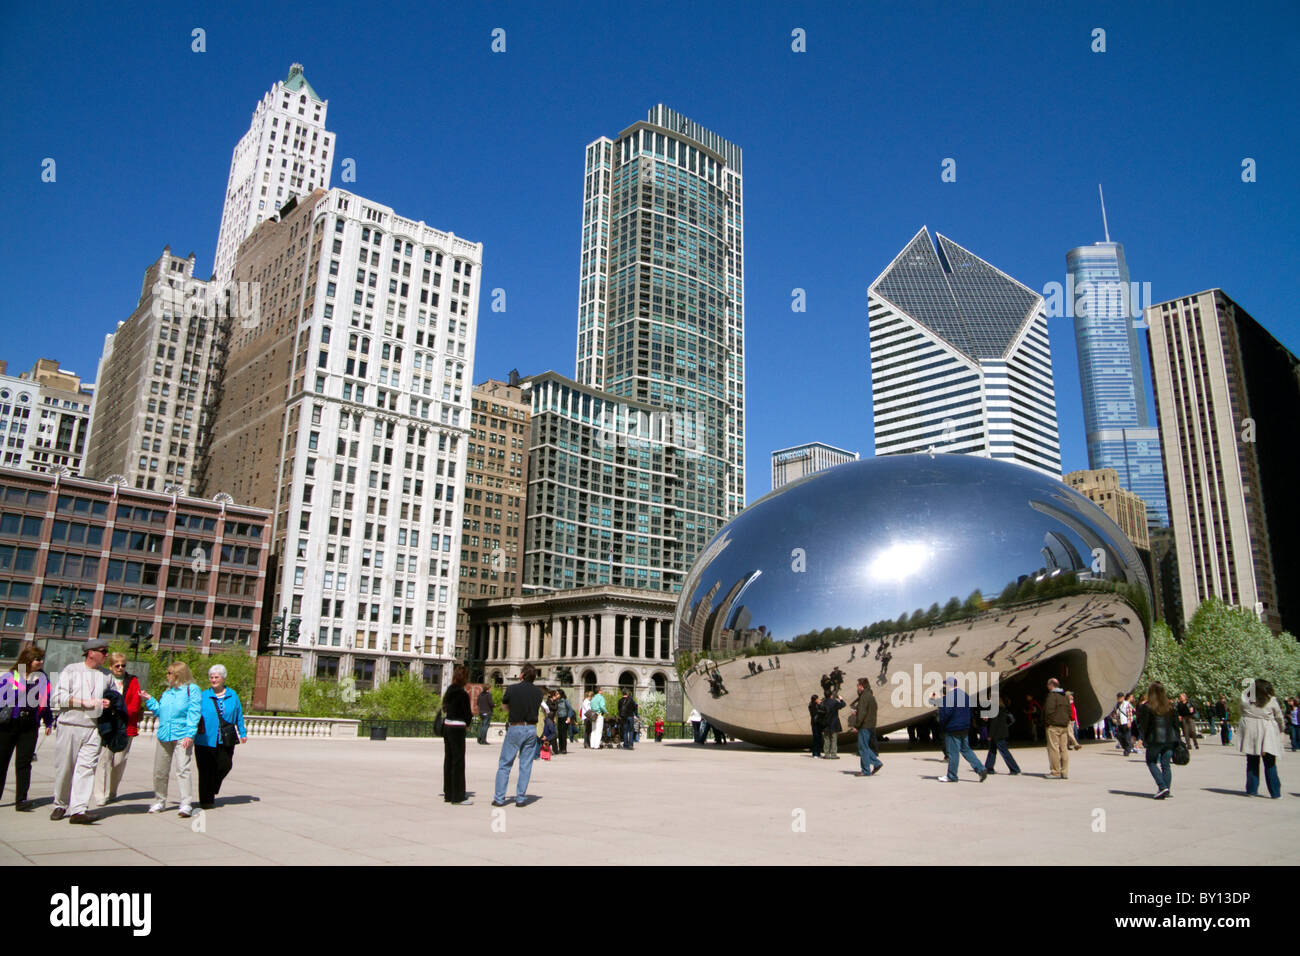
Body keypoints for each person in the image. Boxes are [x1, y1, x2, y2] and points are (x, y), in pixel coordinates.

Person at [50, 640, 112, 823]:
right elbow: (58, 697)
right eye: (103, 651)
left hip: (94, 728)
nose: (106, 655)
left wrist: (109, 703)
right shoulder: (72, 670)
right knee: (65, 768)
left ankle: (79, 810)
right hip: (70, 725)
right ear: (91, 653)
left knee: (86, 769)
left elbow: (113, 696)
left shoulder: (107, 676)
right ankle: (60, 804)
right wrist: (84, 702)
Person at [140, 661, 202, 818]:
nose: (167, 676)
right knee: (159, 770)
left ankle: (186, 803)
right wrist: (149, 700)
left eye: (169, 673)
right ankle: (159, 800)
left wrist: (190, 734)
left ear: (178, 674)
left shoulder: (191, 690)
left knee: (182, 769)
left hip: (182, 735)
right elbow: (160, 712)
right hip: (164, 735)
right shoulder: (167, 692)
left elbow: (194, 713)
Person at [1, 644, 53, 812]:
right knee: (2, 762)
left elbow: (45, 702)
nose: (41, 662)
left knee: (24, 763)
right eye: (38, 659)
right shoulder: (12, 675)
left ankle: (21, 800)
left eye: (42, 659)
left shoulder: (43, 678)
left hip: (30, 724)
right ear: (28, 660)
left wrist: (48, 721)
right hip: (9, 724)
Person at [92, 652, 142, 807]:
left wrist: (120, 710)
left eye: (123, 665)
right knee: (104, 760)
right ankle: (100, 794)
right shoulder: (104, 679)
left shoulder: (132, 680)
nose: (120, 668)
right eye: (117, 665)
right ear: (111, 666)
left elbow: (135, 703)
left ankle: (112, 792)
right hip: (107, 724)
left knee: (119, 761)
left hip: (126, 725)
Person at [194, 664, 247, 810]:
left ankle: (211, 788)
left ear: (223, 678)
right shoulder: (203, 695)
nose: (213, 679)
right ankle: (206, 801)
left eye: (216, 677)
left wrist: (242, 732)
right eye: (211, 677)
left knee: (225, 765)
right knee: (205, 771)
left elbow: (239, 715)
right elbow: (192, 714)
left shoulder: (233, 695)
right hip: (204, 739)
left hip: (226, 738)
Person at [493, 664, 544, 808]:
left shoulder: (512, 689)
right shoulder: (538, 693)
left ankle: (499, 798)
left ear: (522, 675)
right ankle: (520, 798)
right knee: (526, 765)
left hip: (516, 727)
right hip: (531, 729)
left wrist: (513, 709)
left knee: (505, 764)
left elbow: (504, 707)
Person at [1238, 679, 1284, 798]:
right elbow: (1279, 717)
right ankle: (1275, 792)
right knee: (1270, 763)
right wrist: (1281, 728)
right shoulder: (1271, 700)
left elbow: (1242, 712)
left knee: (1252, 762)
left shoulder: (1245, 700)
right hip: (1267, 731)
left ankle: (1252, 790)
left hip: (1251, 732)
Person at [936, 677, 987, 783]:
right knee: (966, 750)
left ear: (949, 685)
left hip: (953, 728)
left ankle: (952, 776)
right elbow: (969, 711)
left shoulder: (949, 697)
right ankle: (981, 769)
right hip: (964, 728)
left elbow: (946, 714)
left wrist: (942, 724)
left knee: (953, 753)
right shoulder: (965, 695)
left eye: (946, 685)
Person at [1137, 681, 1180, 799]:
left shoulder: (1147, 706)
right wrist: (1178, 739)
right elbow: (1176, 724)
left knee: (1151, 762)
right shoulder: (1170, 706)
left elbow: (1144, 725)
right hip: (1170, 739)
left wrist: (1143, 738)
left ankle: (1162, 787)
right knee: (1166, 764)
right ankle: (1167, 789)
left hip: (1155, 739)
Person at [442, 665, 472, 805]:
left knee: (448, 759)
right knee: (458, 761)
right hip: (458, 727)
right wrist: (467, 723)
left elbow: (445, 707)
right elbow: (467, 714)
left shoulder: (449, 691)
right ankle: (458, 796)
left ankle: (448, 793)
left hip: (447, 726)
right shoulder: (463, 694)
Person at [848, 679, 883, 777]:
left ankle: (866, 770)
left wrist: (857, 725)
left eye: (858, 685)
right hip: (870, 724)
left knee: (862, 748)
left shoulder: (864, 696)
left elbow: (863, 712)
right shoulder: (870, 696)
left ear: (861, 686)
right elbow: (871, 710)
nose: (857, 687)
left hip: (864, 725)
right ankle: (876, 763)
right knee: (865, 747)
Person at [1043, 679, 1072, 779]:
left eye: (1048, 684)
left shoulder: (1052, 696)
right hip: (1064, 726)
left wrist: (1048, 723)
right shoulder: (1065, 696)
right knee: (1063, 749)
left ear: (1051, 685)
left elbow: (1048, 711)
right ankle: (1064, 772)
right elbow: (1069, 711)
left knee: (1053, 749)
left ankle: (1055, 772)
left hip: (1053, 727)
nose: (1047, 686)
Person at [982, 699, 1020, 774]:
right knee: (992, 750)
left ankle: (1015, 769)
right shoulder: (1001, 707)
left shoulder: (994, 708)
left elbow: (994, 723)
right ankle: (989, 768)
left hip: (997, 734)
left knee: (1004, 751)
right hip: (1001, 732)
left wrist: (990, 735)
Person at [822, 692, 845, 759]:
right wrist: (841, 699)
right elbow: (843, 704)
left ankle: (826, 754)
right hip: (834, 723)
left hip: (826, 723)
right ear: (831, 695)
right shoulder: (834, 702)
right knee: (834, 739)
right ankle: (833, 754)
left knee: (826, 739)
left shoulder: (823, 702)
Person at [553, 689, 570, 755]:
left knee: (564, 733)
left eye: (557, 694)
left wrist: (569, 717)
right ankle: (560, 748)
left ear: (561, 694)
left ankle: (564, 749)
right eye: (556, 694)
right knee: (559, 733)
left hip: (565, 718)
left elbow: (570, 709)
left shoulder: (565, 701)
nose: (556, 695)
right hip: (559, 718)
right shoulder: (557, 701)